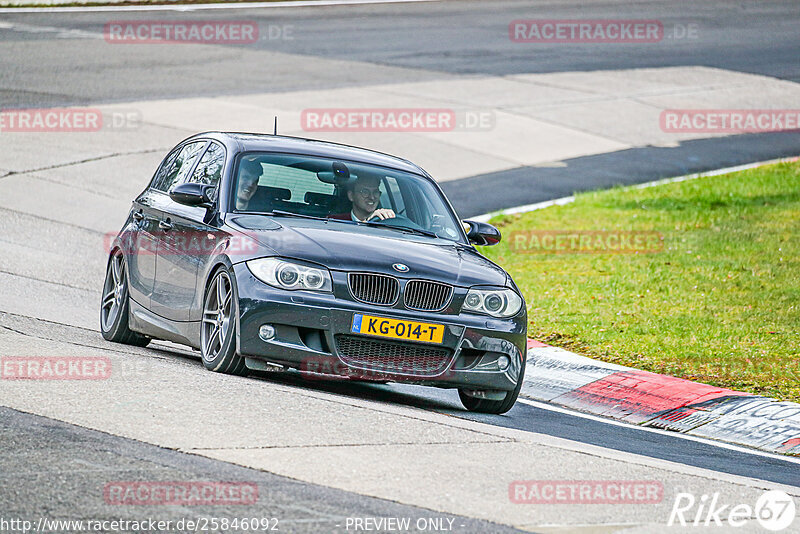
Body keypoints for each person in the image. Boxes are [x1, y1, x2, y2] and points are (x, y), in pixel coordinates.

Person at [329, 175, 395, 222]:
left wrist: (389, 217)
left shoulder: (385, 222)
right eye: (365, 192)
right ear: (351, 196)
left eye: (375, 192)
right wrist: (366, 222)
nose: (372, 197)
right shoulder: (335, 221)